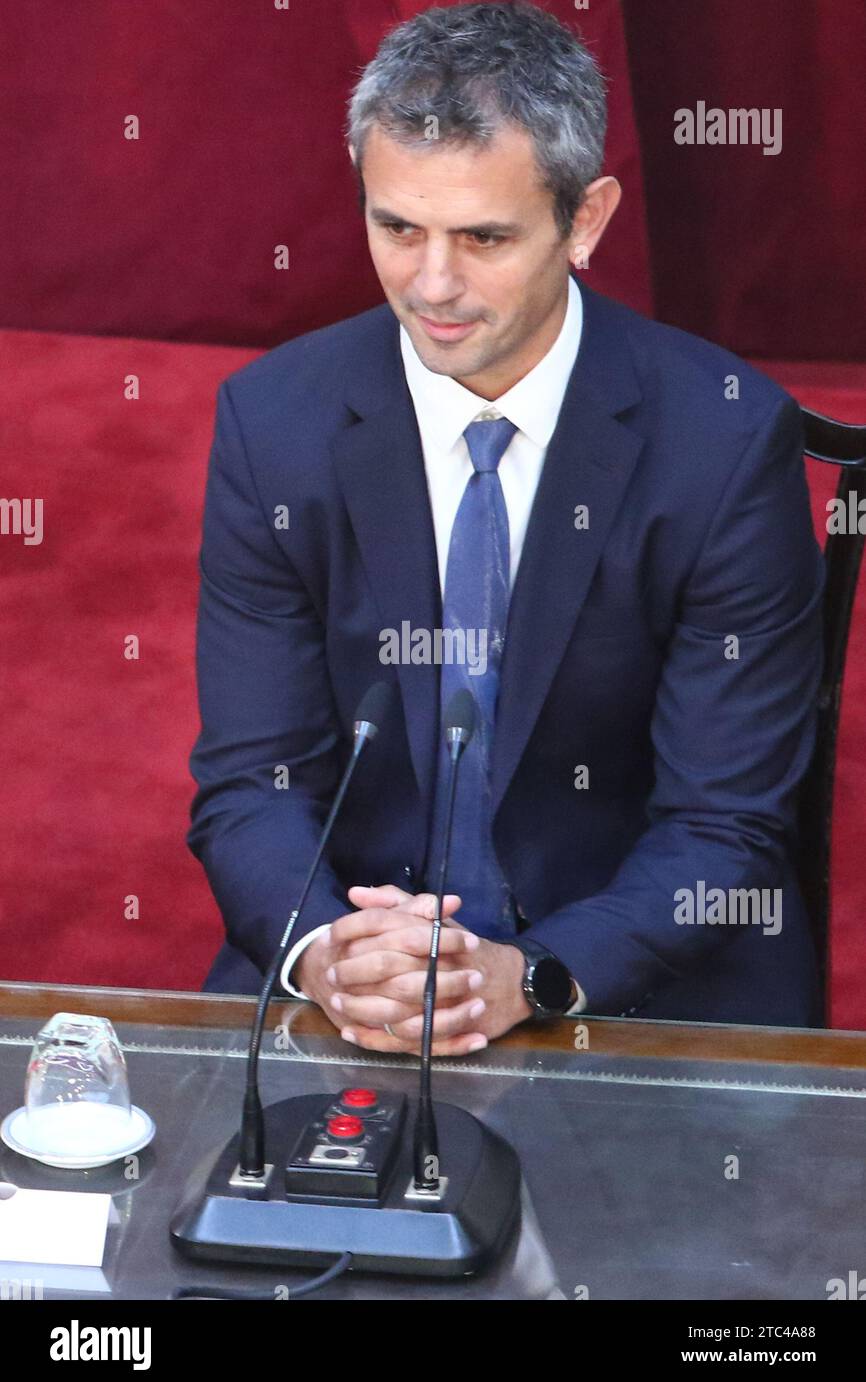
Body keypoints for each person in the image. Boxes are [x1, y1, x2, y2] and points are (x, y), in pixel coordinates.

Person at [188, 2, 824, 1052]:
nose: (430, 285)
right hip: (361, 972)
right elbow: (250, 784)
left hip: (631, 979)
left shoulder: (723, 437)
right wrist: (327, 955)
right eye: (397, 227)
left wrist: (528, 975)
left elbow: (726, 825)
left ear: (585, 219)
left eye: (482, 237)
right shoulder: (273, 423)